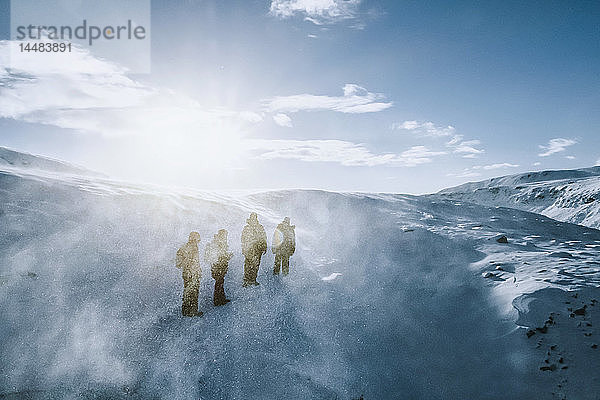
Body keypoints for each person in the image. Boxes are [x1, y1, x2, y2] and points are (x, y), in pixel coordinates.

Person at [176, 231, 203, 317]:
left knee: (187, 291)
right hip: (192, 273)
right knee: (193, 292)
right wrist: (196, 271)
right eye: (197, 238)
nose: (198, 240)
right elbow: (193, 261)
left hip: (187, 273)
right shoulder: (192, 247)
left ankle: (185, 311)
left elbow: (180, 260)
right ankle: (192, 311)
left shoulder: (186, 246)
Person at [205, 229, 233, 306]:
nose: (226, 237)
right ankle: (218, 300)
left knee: (220, 282)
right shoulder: (218, 243)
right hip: (218, 267)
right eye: (225, 235)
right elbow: (220, 256)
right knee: (219, 283)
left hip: (219, 266)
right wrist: (227, 256)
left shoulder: (220, 242)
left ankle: (221, 298)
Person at [241, 212, 267, 287]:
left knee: (256, 265)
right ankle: (246, 281)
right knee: (248, 265)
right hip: (248, 250)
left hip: (258, 249)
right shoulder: (246, 228)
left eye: (254, 217)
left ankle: (253, 280)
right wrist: (243, 249)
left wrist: (264, 247)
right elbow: (243, 239)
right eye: (252, 217)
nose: (253, 219)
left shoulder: (260, 227)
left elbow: (264, 237)